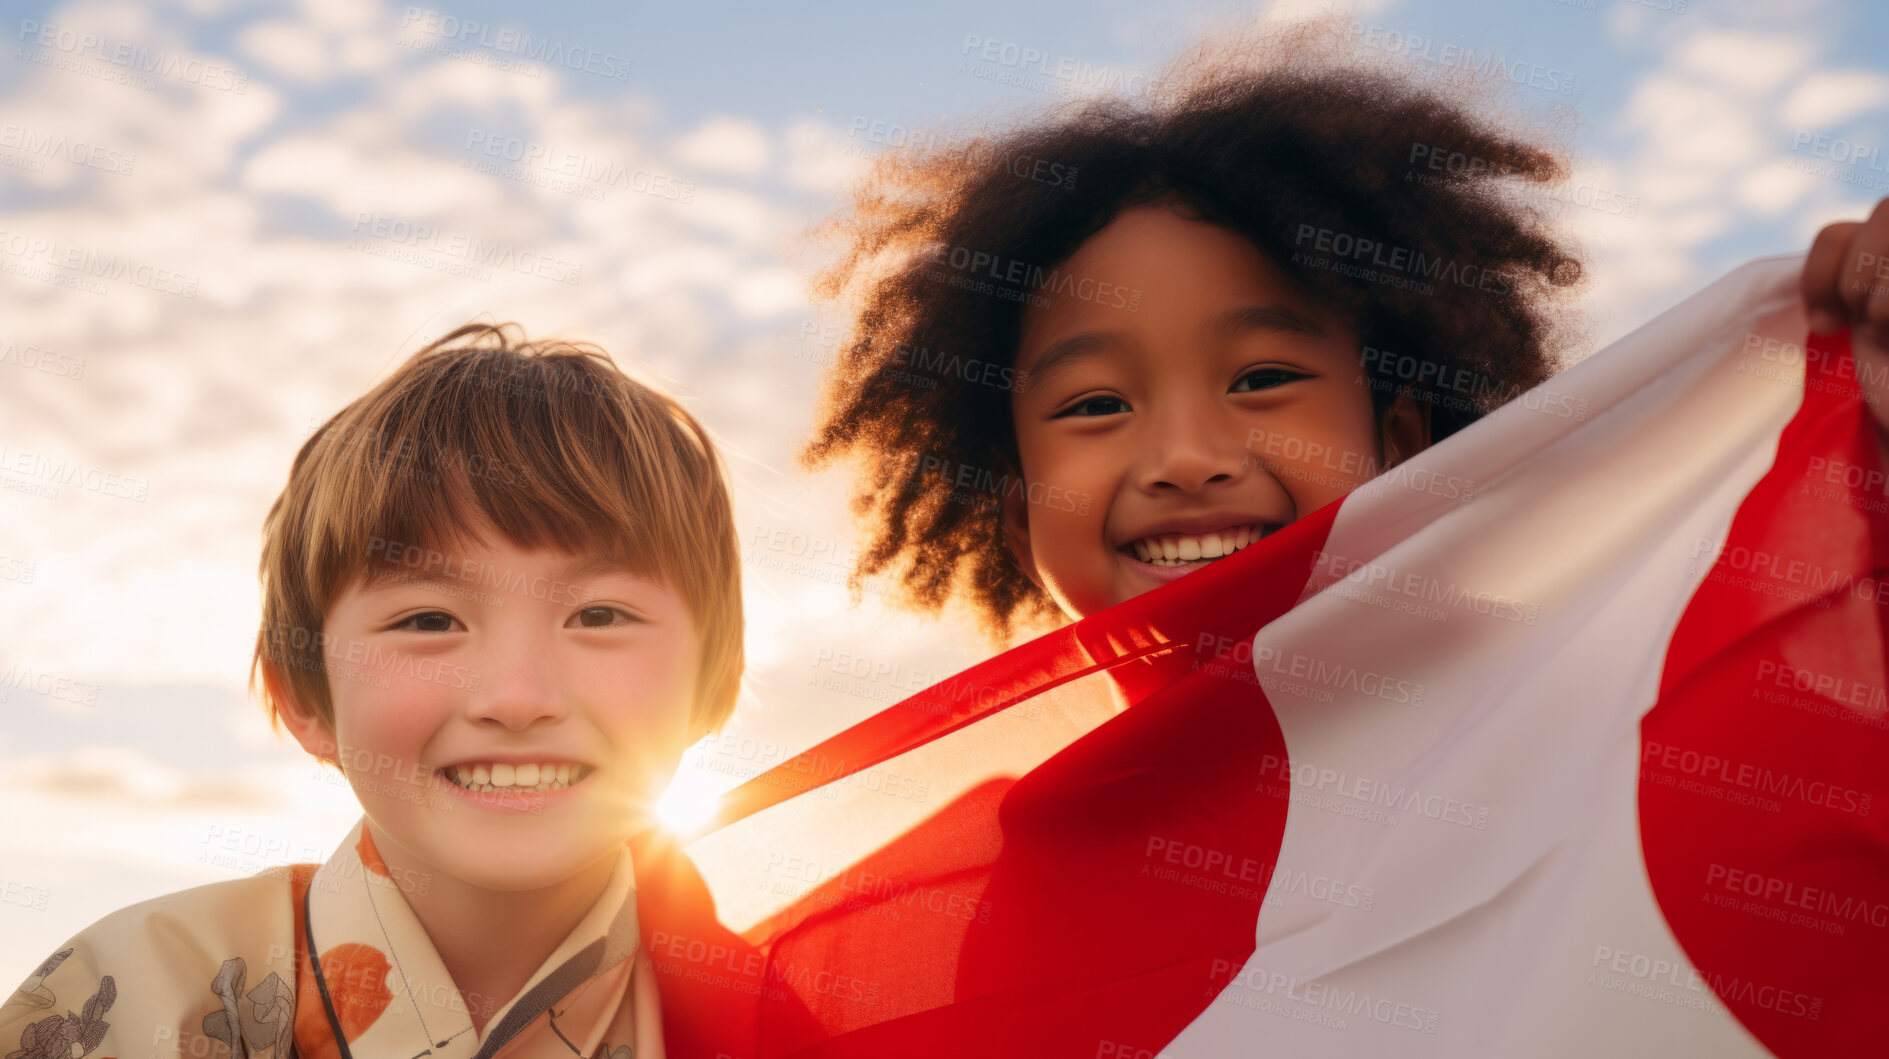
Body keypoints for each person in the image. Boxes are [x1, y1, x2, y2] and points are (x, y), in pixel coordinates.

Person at [800, 27, 1889, 665]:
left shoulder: (1600, 696)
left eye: (1264, 379)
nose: (1185, 455)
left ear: (1404, 438)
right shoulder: (1001, 872)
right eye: (1093, 404)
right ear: (1012, 506)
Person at [0, 322, 745, 1059]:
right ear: (303, 695)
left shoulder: (798, 1012)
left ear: (715, 679)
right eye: (427, 619)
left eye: (600, 615)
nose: (517, 698)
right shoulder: (125, 998)